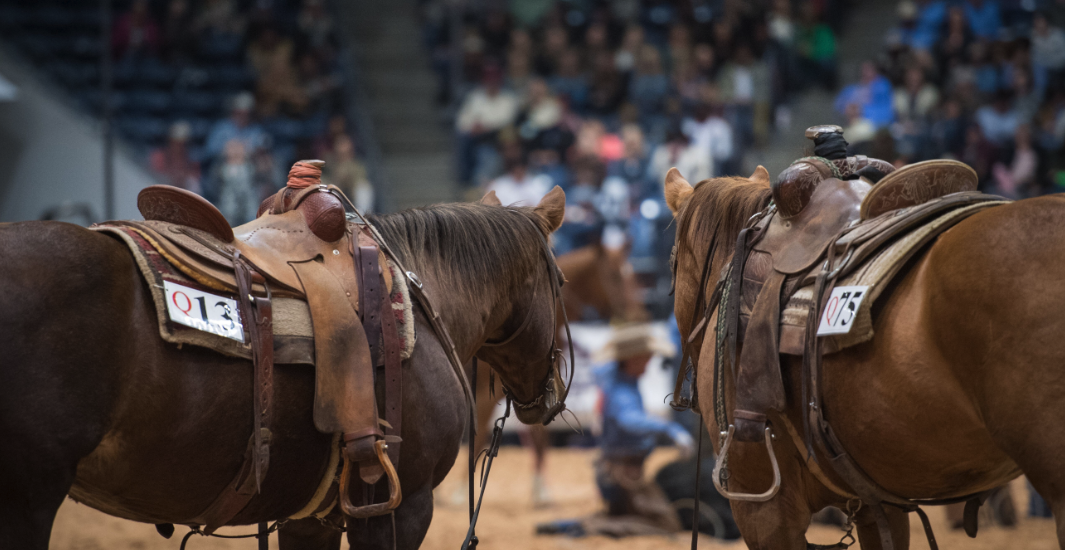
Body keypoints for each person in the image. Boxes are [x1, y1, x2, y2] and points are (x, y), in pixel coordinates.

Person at [537, 325, 694, 537]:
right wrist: (670, 428)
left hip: (615, 471)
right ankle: (587, 528)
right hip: (623, 474)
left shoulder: (616, 380)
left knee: (620, 514)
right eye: (647, 356)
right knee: (665, 524)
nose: (650, 360)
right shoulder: (621, 390)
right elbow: (629, 420)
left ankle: (567, 525)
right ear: (633, 359)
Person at [205, 92, 269, 163]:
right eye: (239, 113)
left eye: (246, 114)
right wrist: (229, 149)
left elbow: (262, 148)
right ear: (233, 112)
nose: (243, 117)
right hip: (223, 165)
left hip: (250, 166)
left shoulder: (256, 129)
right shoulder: (221, 128)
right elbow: (210, 150)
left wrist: (245, 150)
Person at [150, 121, 202, 194]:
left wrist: (183, 180)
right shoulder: (158, 157)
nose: (179, 147)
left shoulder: (192, 163)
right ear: (170, 141)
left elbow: (195, 188)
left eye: (184, 144)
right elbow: (151, 178)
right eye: (176, 143)